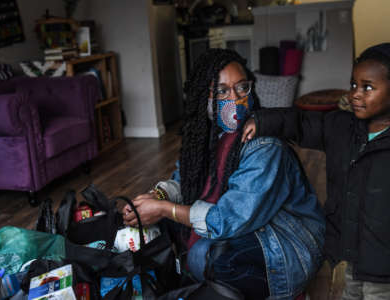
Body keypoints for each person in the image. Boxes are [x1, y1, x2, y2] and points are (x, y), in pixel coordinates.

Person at [122, 48, 325, 300]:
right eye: (222, 91)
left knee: (213, 258)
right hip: (244, 222)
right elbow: (183, 180)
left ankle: (287, 292)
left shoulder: (265, 146)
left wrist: (163, 208)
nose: (236, 99)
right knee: (161, 224)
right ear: (203, 99)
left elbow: (227, 219)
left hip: (286, 243)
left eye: (242, 88)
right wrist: (155, 197)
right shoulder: (208, 136)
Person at [242, 43, 390, 300]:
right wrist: (263, 120)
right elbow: (302, 123)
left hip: (384, 264)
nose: (356, 93)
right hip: (347, 254)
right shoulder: (341, 126)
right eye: (353, 84)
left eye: (368, 87)